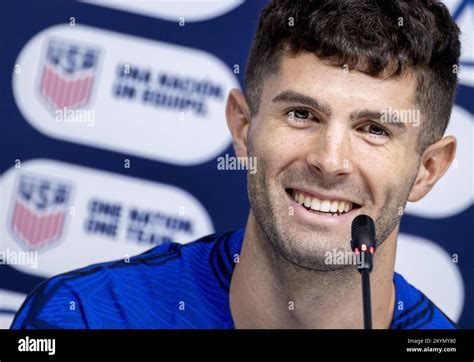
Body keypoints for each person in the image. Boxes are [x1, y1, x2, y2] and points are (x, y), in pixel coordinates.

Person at [12, 0, 460, 329]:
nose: (329, 160)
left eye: (374, 130)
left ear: (428, 169)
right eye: (301, 114)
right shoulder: (84, 316)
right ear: (243, 128)